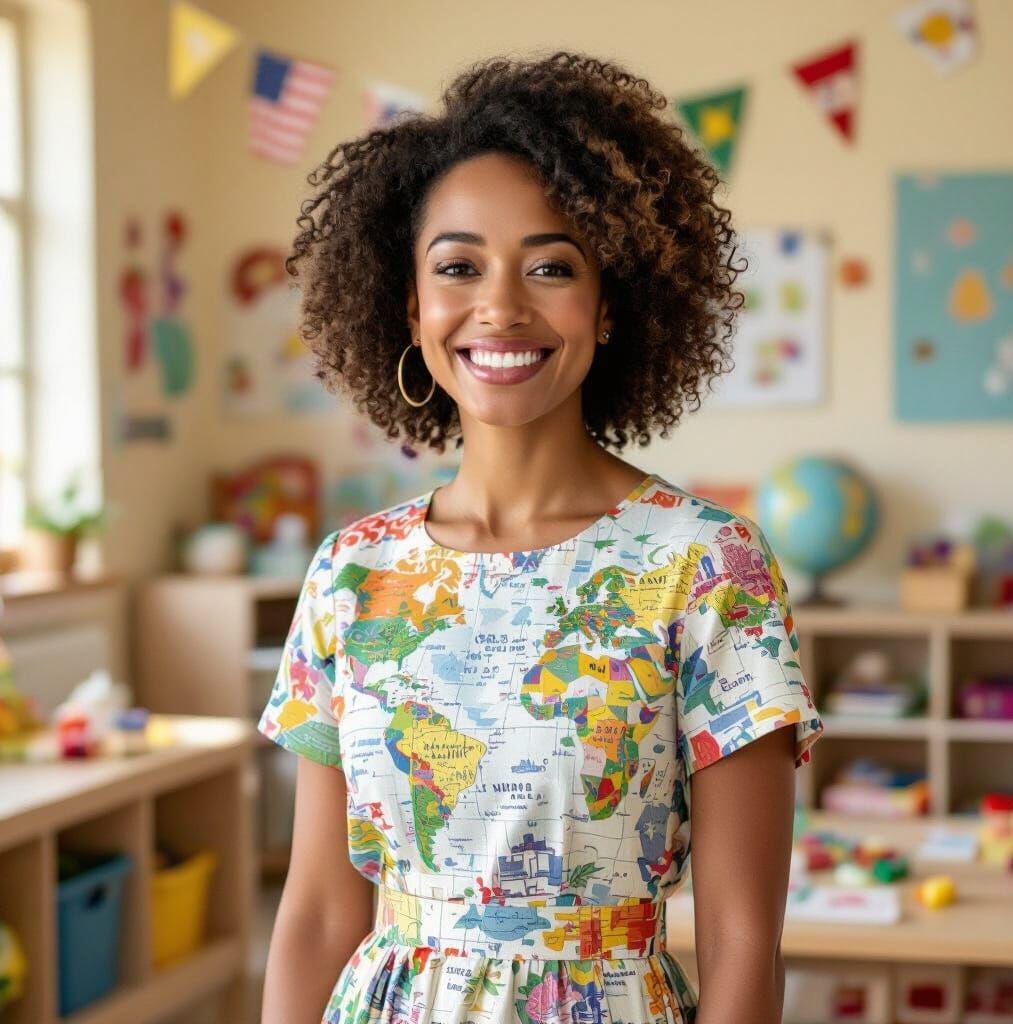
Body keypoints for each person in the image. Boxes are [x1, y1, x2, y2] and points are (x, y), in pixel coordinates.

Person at [258, 50, 825, 1024]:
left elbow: (742, 941)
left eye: (551, 265)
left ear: (609, 304)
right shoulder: (352, 572)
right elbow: (314, 913)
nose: (502, 306)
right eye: (458, 266)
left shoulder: (707, 564)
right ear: (411, 306)